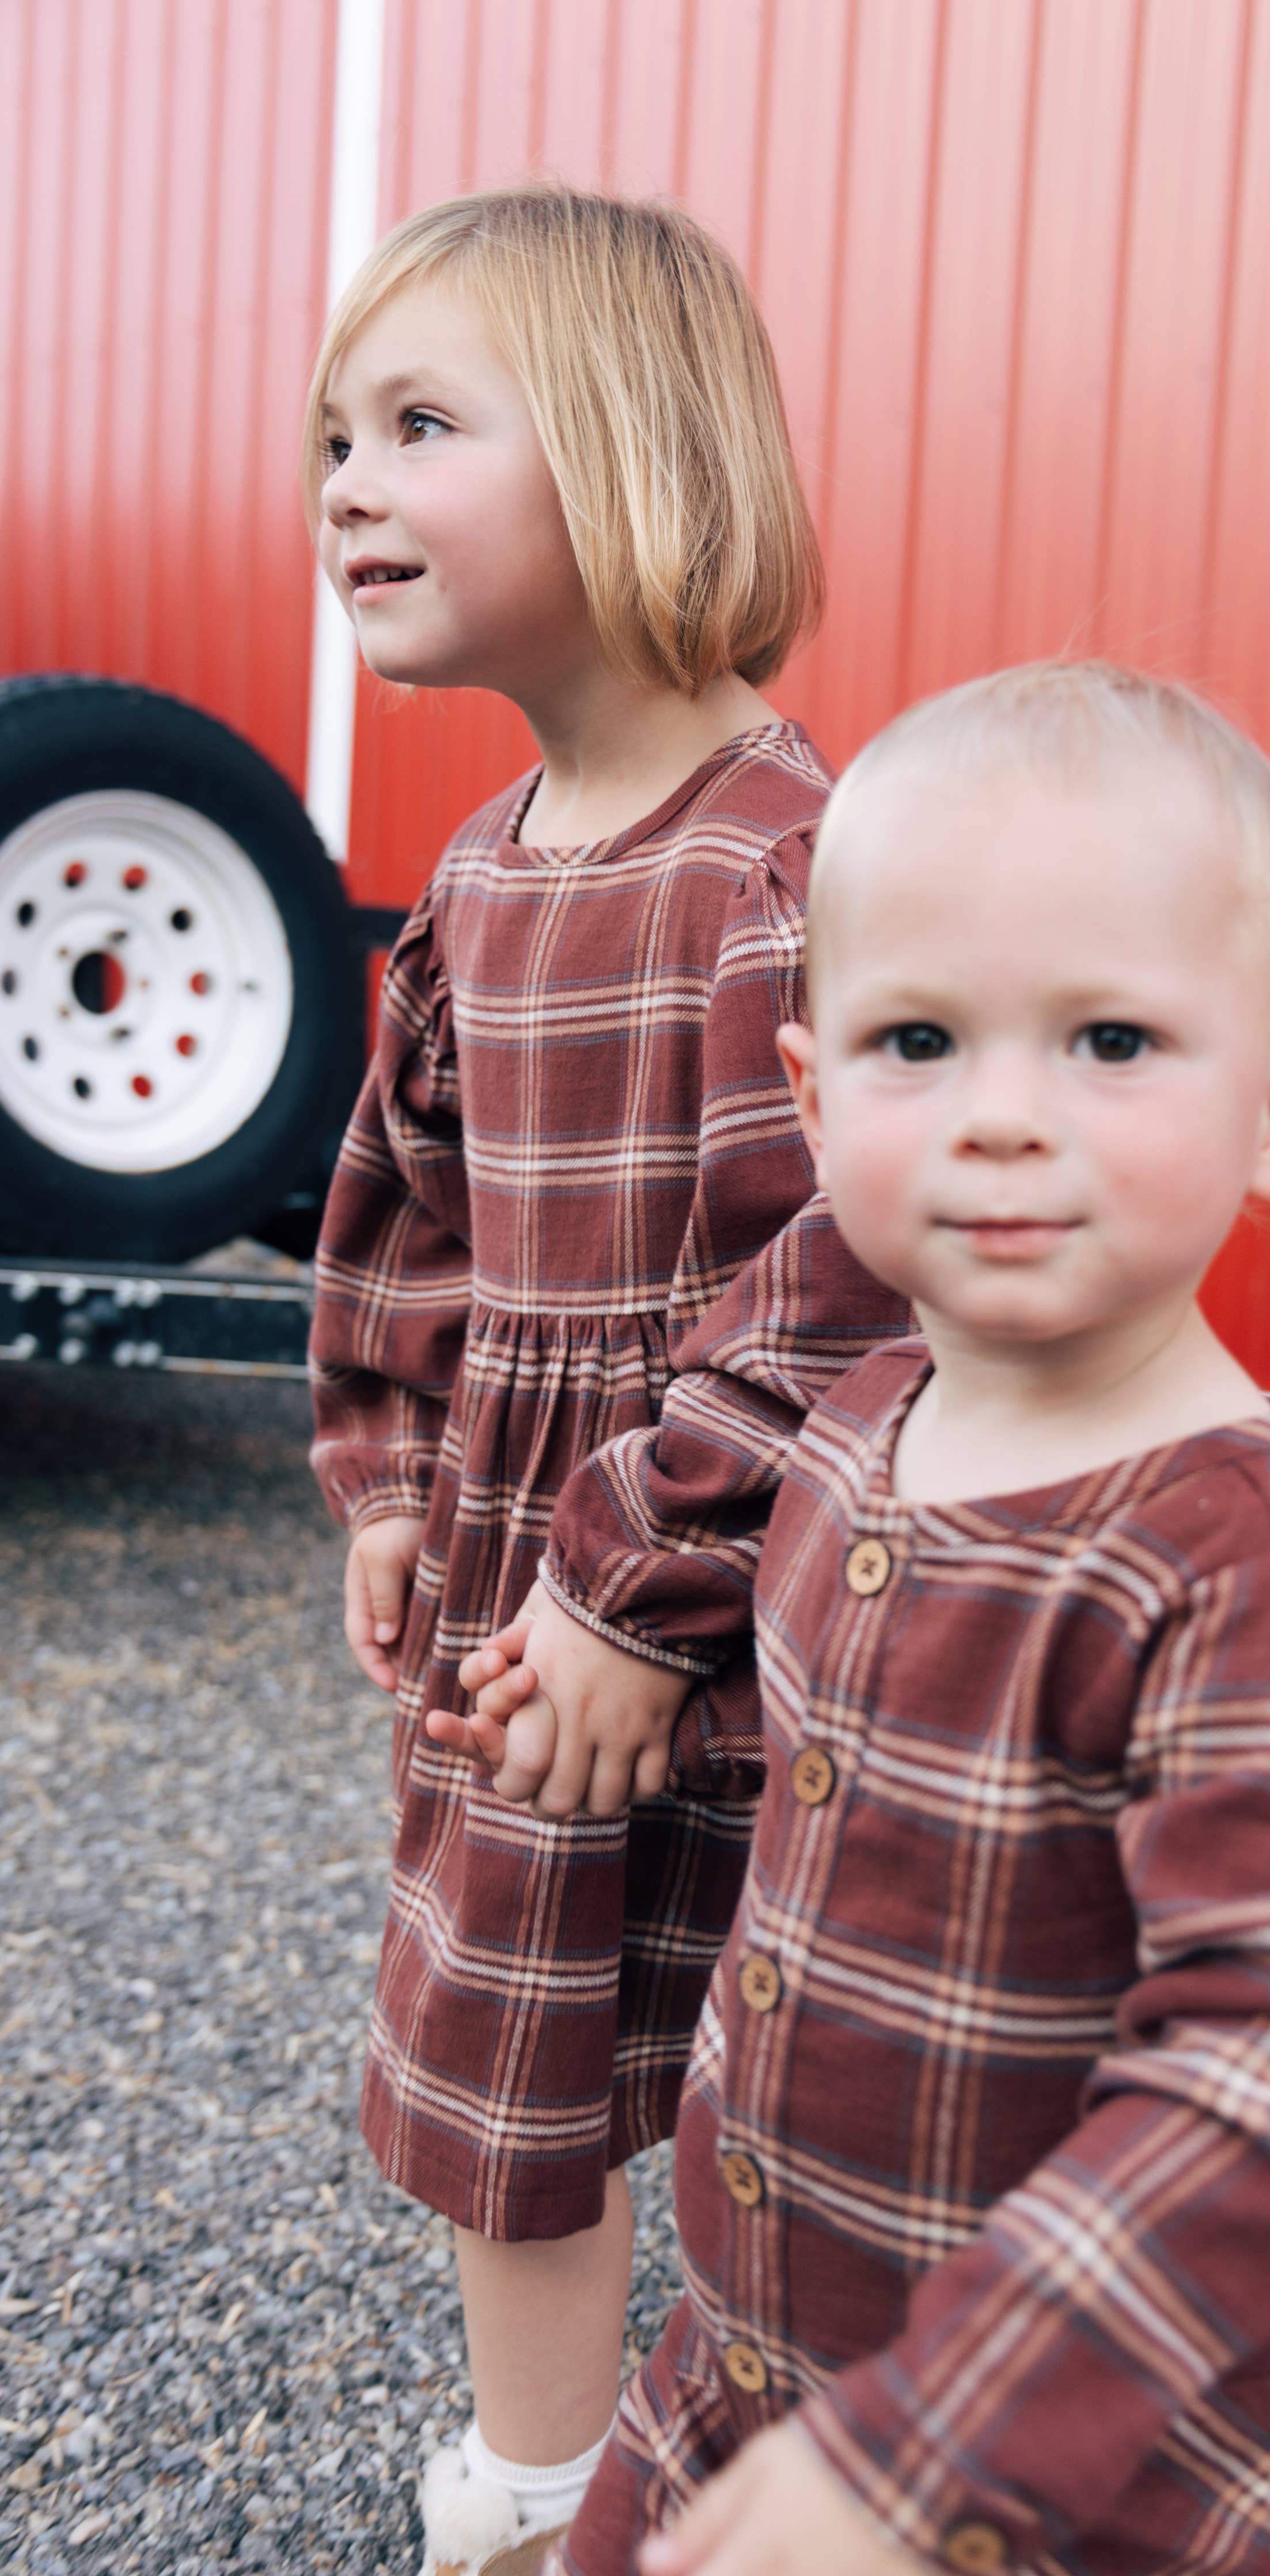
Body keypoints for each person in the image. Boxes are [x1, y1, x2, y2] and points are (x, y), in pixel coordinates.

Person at [475, 662, 1270, 2576]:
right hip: (743, 2381)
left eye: (1110, 1043)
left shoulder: (1260, 1593)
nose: (1005, 1117)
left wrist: (925, 2455)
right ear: (810, 1092)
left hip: (1055, 2485)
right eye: (920, 1040)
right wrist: (642, 1725)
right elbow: (894, 1759)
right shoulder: (860, 1429)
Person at [305, 183, 904, 2576]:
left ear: (638, 459)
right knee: (508, 2052)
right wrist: (386, 1477)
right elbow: (409, 1217)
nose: (342, 479)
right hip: (515, 1580)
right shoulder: (467, 877)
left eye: (418, 423)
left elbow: (843, 1265)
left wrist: (630, 1596)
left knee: (805, 2070)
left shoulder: (792, 866)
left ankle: (835, 2477)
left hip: (748, 1597)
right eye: (329, 433)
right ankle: (540, 2484)